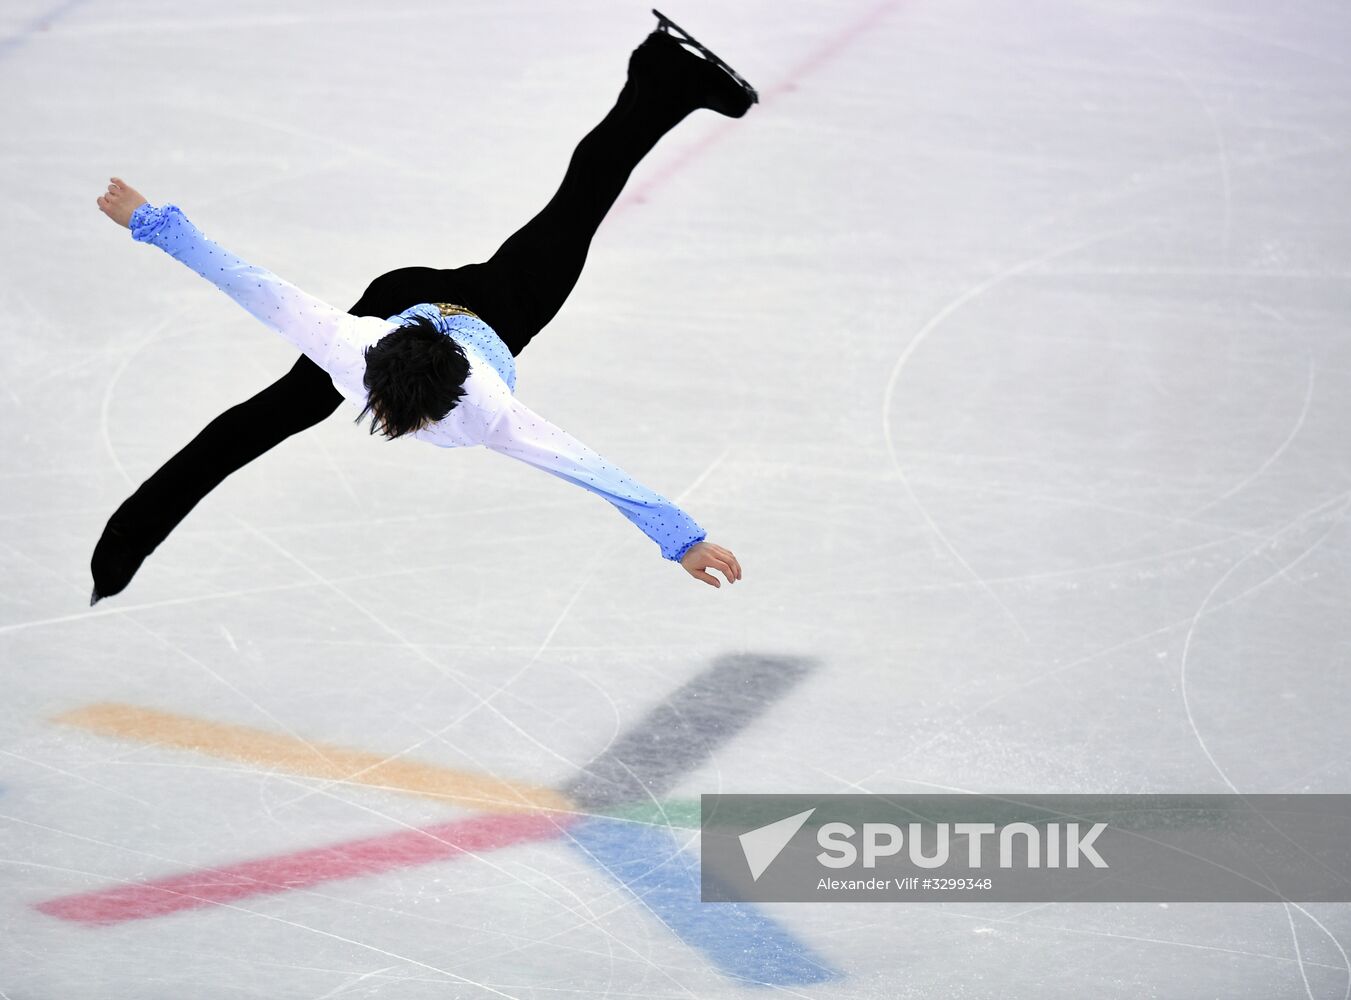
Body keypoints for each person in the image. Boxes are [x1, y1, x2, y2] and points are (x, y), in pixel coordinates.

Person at [91, 13, 753, 604]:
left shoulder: (489, 412)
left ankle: (665, 72)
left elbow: (589, 468)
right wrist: (145, 218)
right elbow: (247, 282)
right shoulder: (347, 346)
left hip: (499, 313)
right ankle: (126, 542)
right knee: (265, 417)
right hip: (398, 298)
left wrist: (682, 541)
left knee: (580, 204)